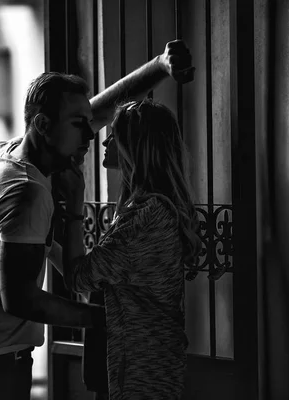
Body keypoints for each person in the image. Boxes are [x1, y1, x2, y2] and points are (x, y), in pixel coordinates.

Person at [0, 40, 195, 400]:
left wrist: (160, 66)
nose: (92, 135)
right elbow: (22, 299)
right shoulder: (27, 192)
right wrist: (106, 320)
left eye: (94, 127)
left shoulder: (5, 153)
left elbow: (98, 111)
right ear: (43, 125)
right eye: (80, 125)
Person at [61, 99, 202, 400]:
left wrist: (74, 205)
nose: (106, 140)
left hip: (143, 374)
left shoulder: (146, 219)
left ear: (134, 146)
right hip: (143, 366)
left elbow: (80, 279)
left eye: (115, 134)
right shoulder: (143, 209)